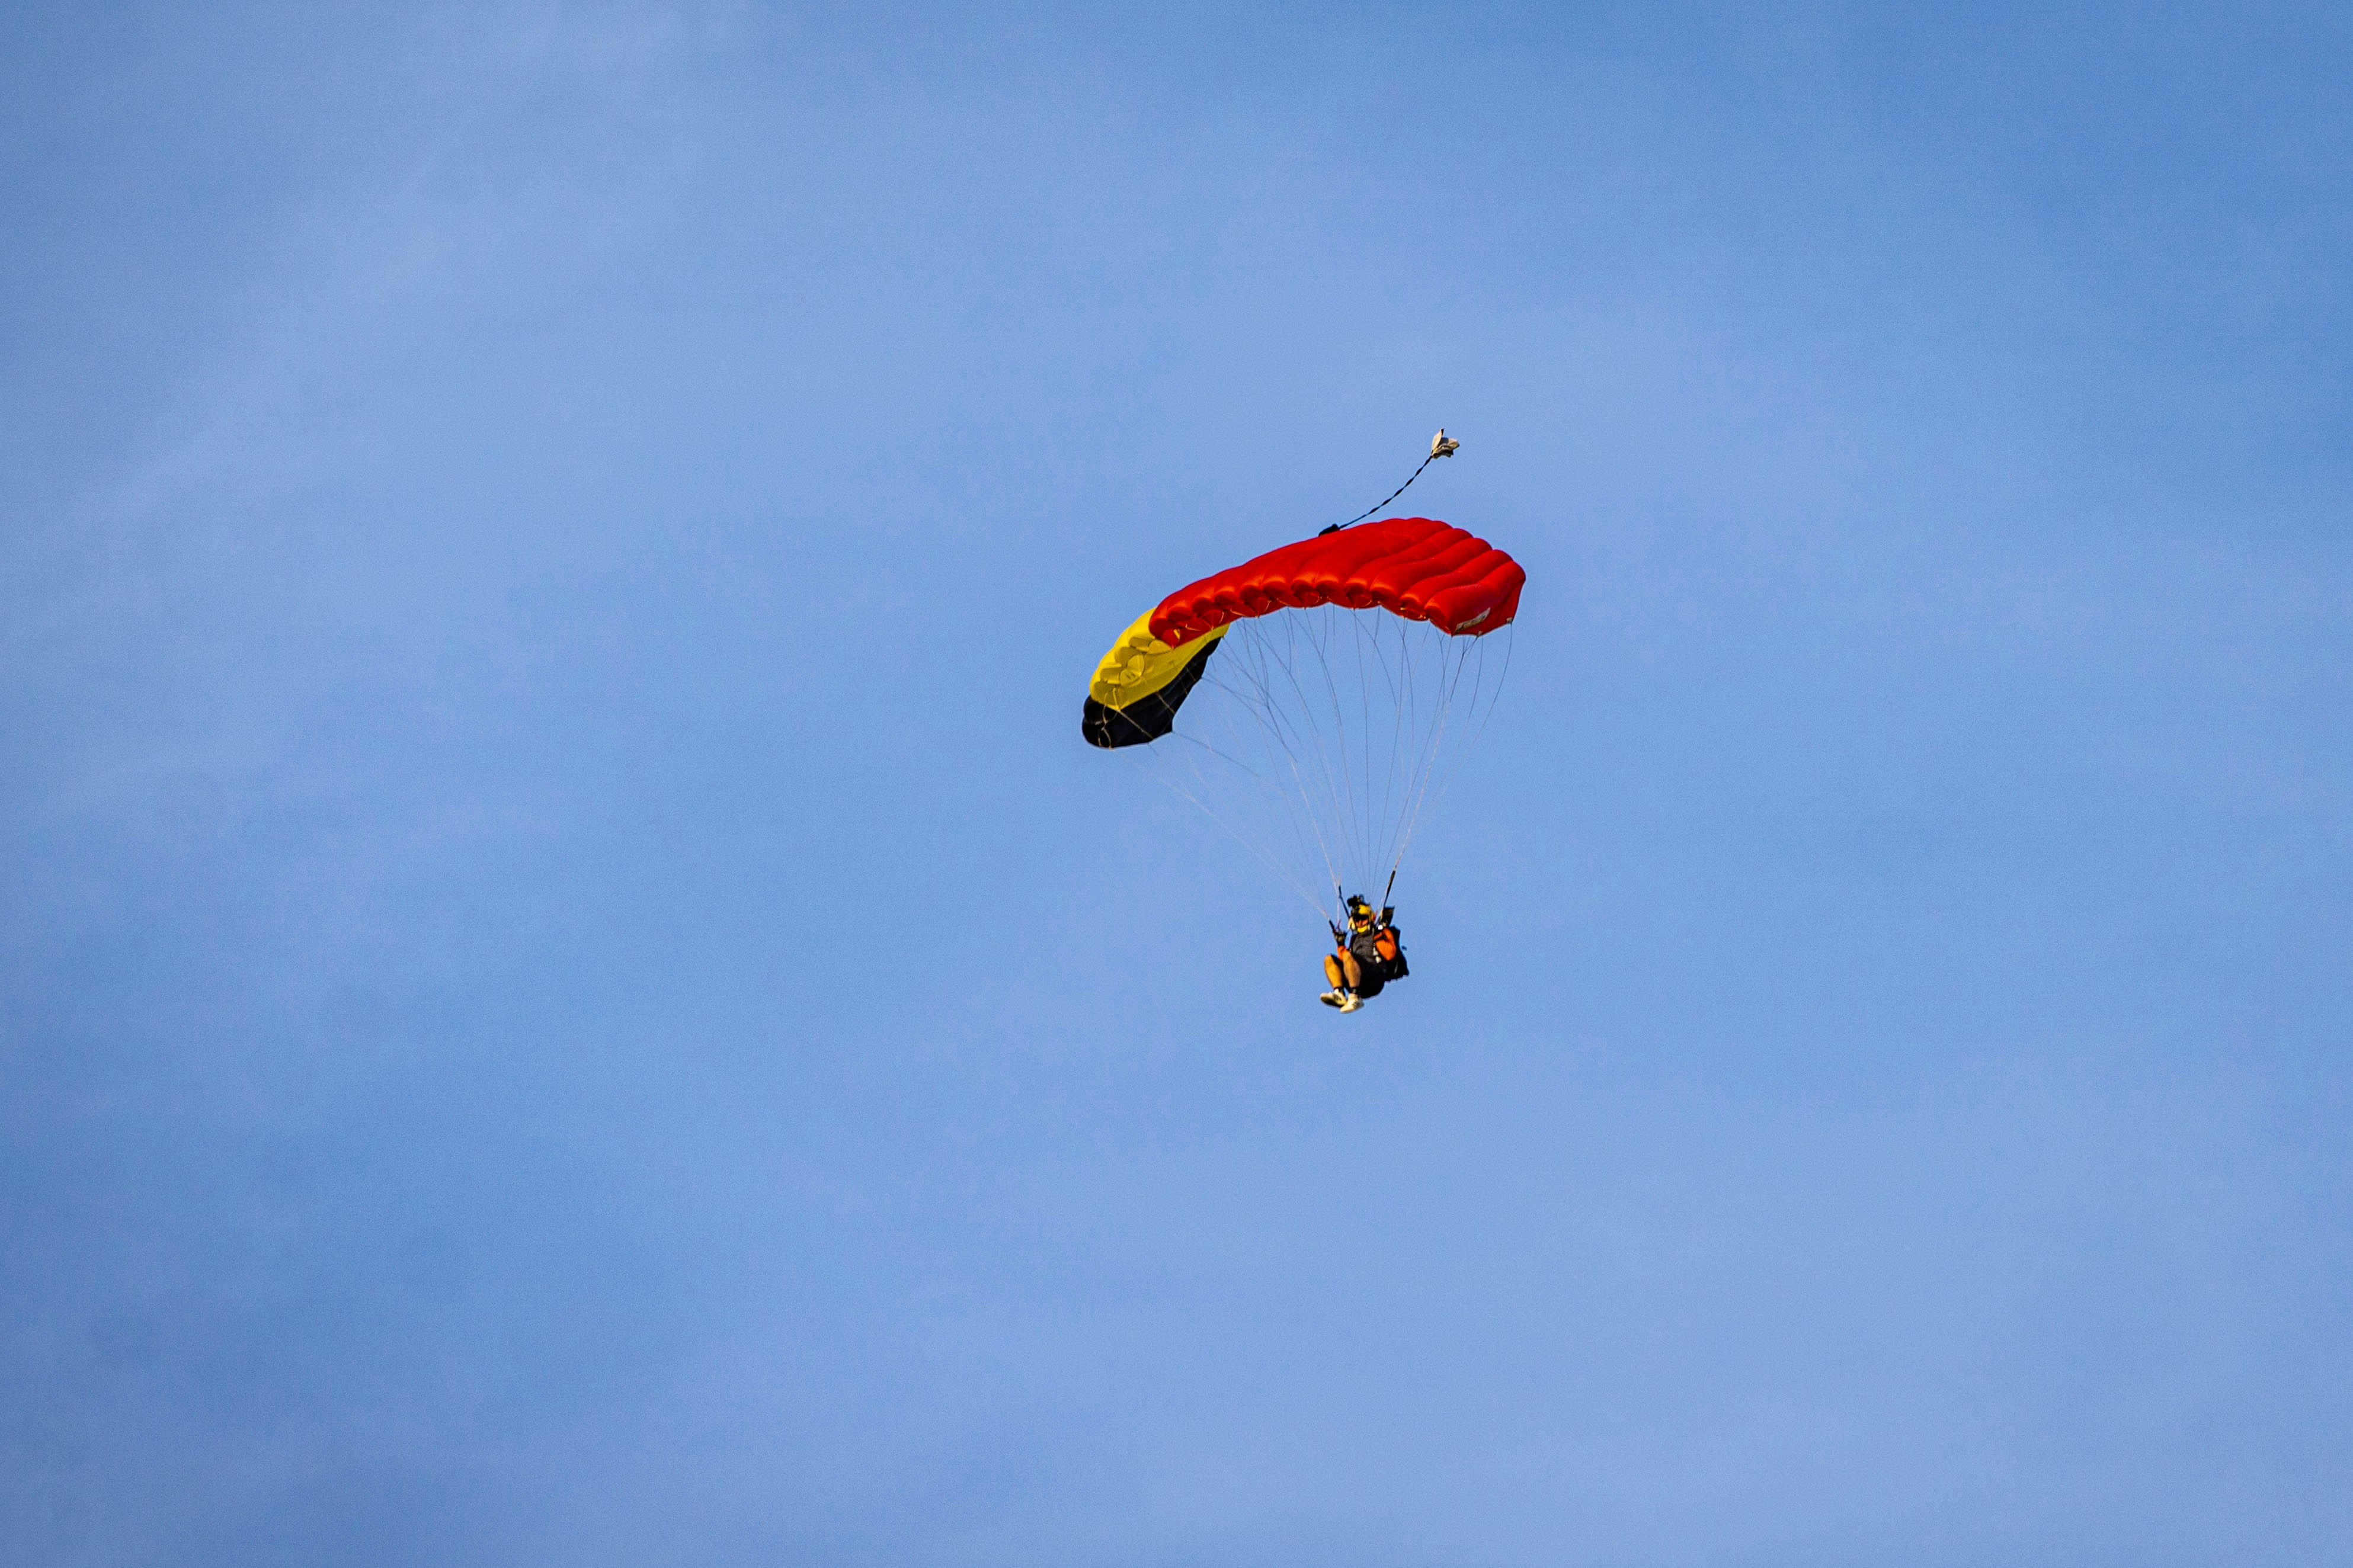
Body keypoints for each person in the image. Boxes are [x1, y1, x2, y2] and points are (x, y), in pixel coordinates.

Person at [1321, 894, 1405, 1011]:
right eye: (1357, 920)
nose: (1360, 923)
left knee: (1347, 956)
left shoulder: (1381, 932)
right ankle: (1339, 993)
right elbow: (1346, 961)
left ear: (1370, 918)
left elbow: (1390, 954)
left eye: (1363, 919)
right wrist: (1341, 944)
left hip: (1375, 977)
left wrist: (1380, 933)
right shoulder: (1355, 938)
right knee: (1329, 959)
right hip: (1358, 978)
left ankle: (1355, 998)